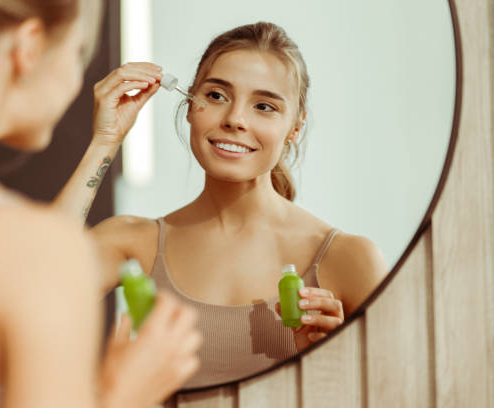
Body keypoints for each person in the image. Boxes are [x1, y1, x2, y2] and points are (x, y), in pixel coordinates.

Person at [0, 0, 201, 406]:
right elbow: (39, 259)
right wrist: (123, 394)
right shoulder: (35, 250)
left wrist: (105, 142)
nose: (75, 78)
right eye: (77, 52)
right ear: (29, 45)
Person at [56, 21, 388, 389]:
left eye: (264, 106)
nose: (234, 120)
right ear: (189, 105)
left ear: (295, 126)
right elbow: (28, 283)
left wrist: (337, 365)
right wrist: (105, 140)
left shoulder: (349, 259)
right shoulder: (132, 243)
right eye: (216, 96)